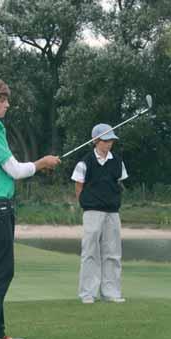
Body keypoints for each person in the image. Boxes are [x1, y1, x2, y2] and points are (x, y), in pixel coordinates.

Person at [0, 76, 60, 339]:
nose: (7, 104)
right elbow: (16, 171)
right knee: (0, 270)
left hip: (0, 207)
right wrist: (42, 163)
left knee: (3, 270)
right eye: (3, 100)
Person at [71, 123, 128, 304]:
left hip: (112, 212)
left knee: (113, 253)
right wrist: (86, 204)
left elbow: (119, 183)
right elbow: (78, 187)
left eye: (111, 140)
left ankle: (111, 292)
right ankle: (87, 293)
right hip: (92, 211)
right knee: (90, 252)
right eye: (105, 140)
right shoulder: (84, 162)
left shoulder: (118, 161)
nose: (109, 143)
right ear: (95, 141)